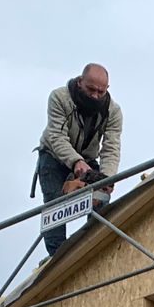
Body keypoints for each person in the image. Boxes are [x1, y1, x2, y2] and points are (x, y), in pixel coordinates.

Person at [35, 64, 123, 255]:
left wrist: (107, 178)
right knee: (55, 208)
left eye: (101, 91)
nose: (95, 96)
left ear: (107, 88)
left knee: (101, 201)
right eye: (91, 89)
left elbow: (111, 147)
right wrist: (76, 161)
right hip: (53, 157)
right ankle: (57, 259)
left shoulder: (113, 111)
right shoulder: (59, 98)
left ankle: (94, 250)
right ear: (80, 82)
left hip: (87, 160)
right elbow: (57, 137)